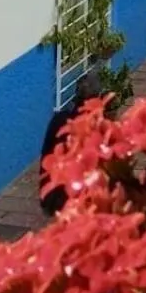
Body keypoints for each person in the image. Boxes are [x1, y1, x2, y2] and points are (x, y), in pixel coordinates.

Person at [39, 68, 103, 217]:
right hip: (73, 197)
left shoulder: (59, 120)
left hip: (54, 193)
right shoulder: (97, 126)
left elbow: (46, 155)